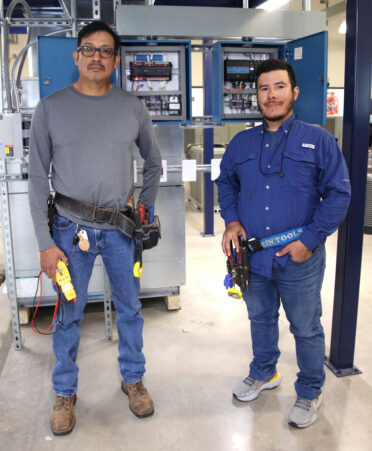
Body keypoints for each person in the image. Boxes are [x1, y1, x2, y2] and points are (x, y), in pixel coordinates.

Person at [28, 21, 162, 436]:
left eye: (106, 51)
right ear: (77, 55)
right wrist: (46, 244)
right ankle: (65, 392)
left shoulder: (132, 107)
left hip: (121, 231)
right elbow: (36, 179)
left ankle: (133, 379)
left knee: (131, 310)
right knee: (69, 315)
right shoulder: (49, 109)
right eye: (89, 49)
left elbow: (154, 164)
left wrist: (143, 210)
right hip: (70, 232)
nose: (97, 57)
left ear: (116, 60)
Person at [215, 59, 351, 428]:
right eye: (263, 88)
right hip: (253, 257)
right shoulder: (241, 142)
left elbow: (339, 193)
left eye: (278, 87)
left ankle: (309, 391)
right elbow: (225, 183)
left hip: (299, 258)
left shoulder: (319, 139)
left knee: (305, 327)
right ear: (255, 95)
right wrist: (232, 221)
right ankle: (264, 372)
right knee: (259, 318)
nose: (270, 95)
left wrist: (309, 241)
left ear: (294, 92)